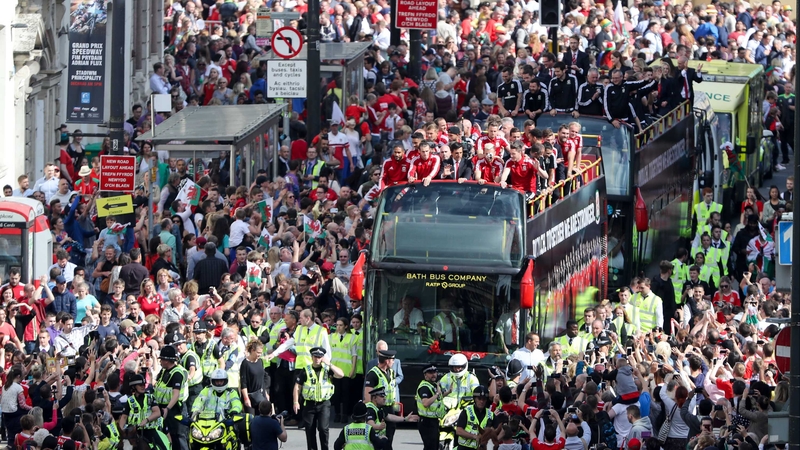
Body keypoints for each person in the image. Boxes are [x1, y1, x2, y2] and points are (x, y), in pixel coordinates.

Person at [294, 347, 345, 450]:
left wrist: (329, 364)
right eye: (315, 356)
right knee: (310, 430)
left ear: (323, 358)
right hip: (309, 404)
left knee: (323, 428)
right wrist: (295, 402)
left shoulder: (327, 369)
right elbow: (297, 387)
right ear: (312, 357)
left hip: (324, 404)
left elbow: (341, 375)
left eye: (319, 357)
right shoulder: (306, 370)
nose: (317, 359)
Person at [119, 374, 171, 450]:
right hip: (134, 432)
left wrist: (146, 420)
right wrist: (122, 431)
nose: (143, 387)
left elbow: (157, 412)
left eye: (143, 384)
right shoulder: (130, 401)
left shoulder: (150, 398)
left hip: (149, 431)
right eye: (140, 385)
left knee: (163, 448)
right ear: (134, 387)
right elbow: (124, 417)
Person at [153, 344, 189, 450]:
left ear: (167, 361)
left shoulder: (177, 373)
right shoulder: (164, 371)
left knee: (177, 436)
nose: (160, 361)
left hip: (174, 409)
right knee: (165, 435)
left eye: (161, 359)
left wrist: (167, 409)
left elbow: (176, 394)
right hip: (162, 408)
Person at [416, 364, 445, 450]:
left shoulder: (433, 385)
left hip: (433, 420)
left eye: (435, 372)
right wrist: (437, 394)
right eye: (430, 373)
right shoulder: (424, 387)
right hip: (426, 422)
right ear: (425, 375)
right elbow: (425, 403)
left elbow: (437, 398)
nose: (434, 375)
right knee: (430, 447)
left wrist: (448, 392)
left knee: (434, 446)